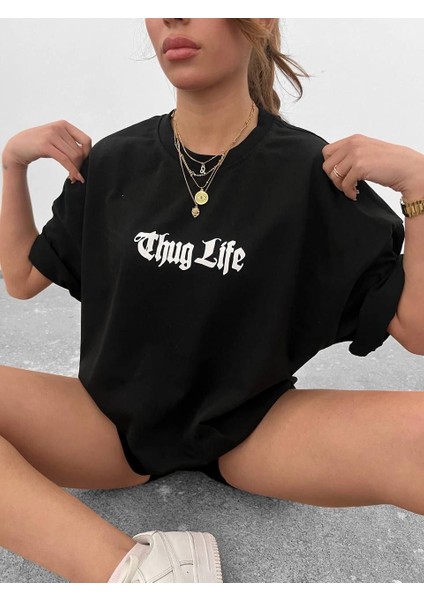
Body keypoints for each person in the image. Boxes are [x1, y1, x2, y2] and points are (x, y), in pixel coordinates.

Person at [0, 17, 423, 584]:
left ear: (260, 20)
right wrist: (13, 165)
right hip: (104, 425)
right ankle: (140, 574)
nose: (174, 15)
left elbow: (415, 329)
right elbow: (21, 279)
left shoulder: (312, 171)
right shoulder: (116, 160)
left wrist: (420, 186)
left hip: (256, 430)